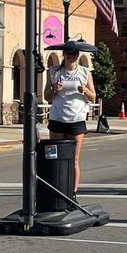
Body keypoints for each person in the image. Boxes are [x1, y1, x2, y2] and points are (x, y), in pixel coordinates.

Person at [45, 44, 95, 194]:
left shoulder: (85, 72)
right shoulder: (54, 71)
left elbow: (93, 96)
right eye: (68, 53)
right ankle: (56, 188)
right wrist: (54, 88)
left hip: (76, 119)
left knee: (73, 159)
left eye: (74, 54)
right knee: (55, 157)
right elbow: (47, 97)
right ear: (64, 55)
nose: (71, 56)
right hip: (57, 118)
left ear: (77, 56)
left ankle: (72, 191)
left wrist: (84, 90)